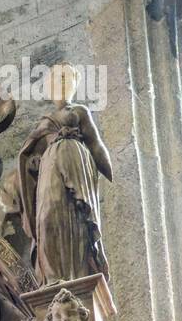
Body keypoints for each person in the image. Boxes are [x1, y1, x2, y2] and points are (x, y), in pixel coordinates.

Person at [18, 63, 112, 285]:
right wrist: (33, 163)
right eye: (55, 79)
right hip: (50, 170)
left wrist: (108, 167)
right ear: (48, 88)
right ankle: (53, 277)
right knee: (47, 218)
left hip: (75, 161)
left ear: (75, 83)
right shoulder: (43, 123)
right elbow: (30, 155)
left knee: (75, 215)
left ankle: (77, 274)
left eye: (65, 77)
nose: (60, 82)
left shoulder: (78, 112)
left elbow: (95, 144)